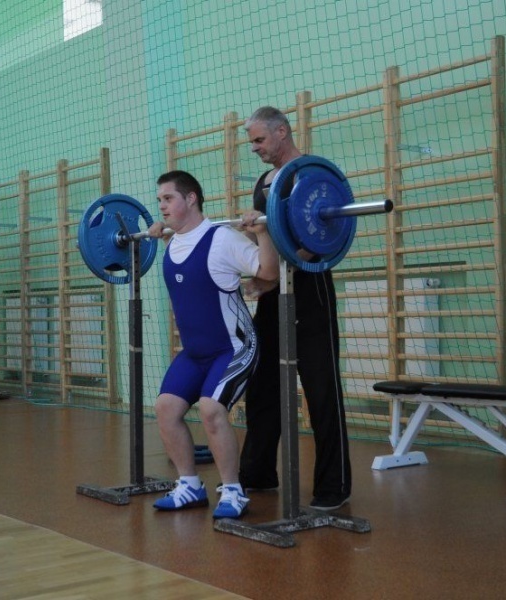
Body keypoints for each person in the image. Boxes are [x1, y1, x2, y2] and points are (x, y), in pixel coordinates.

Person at [238, 106, 353, 510]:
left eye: (259, 139)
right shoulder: (263, 180)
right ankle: (257, 472)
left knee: (321, 389)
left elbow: (322, 236)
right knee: (263, 382)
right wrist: (258, 252)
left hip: (310, 287)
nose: (253, 148)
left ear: (282, 132)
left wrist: (278, 267)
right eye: (251, 141)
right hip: (274, 295)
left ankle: (333, 487)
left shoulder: (313, 174)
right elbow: (265, 245)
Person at [148, 170, 279, 519]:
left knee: (210, 409)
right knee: (165, 408)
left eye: (168, 198)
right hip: (195, 353)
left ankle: (233, 491)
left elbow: (269, 273)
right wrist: (162, 237)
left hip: (234, 347)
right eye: (160, 199)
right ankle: (190, 485)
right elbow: (187, 263)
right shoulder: (174, 241)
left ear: (191, 199)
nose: (161, 206)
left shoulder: (222, 239)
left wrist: (262, 233)